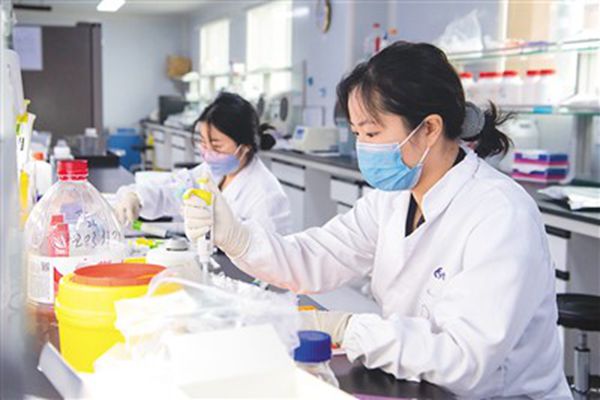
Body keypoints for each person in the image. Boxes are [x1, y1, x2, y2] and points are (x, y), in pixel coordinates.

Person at [182, 42, 571, 398]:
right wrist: (240, 239)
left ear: (429, 129)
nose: (362, 148)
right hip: (417, 383)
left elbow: (463, 359)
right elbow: (317, 255)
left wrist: (348, 329)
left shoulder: (500, 214)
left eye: (371, 132)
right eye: (357, 133)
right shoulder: (394, 199)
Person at [115, 92, 291, 235]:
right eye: (203, 142)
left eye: (216, 145)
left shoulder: (266, 196)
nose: (207, 152)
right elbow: (173, 191)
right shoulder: (211, 173)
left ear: (245, 147)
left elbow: (268, 256)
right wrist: (137, 197)